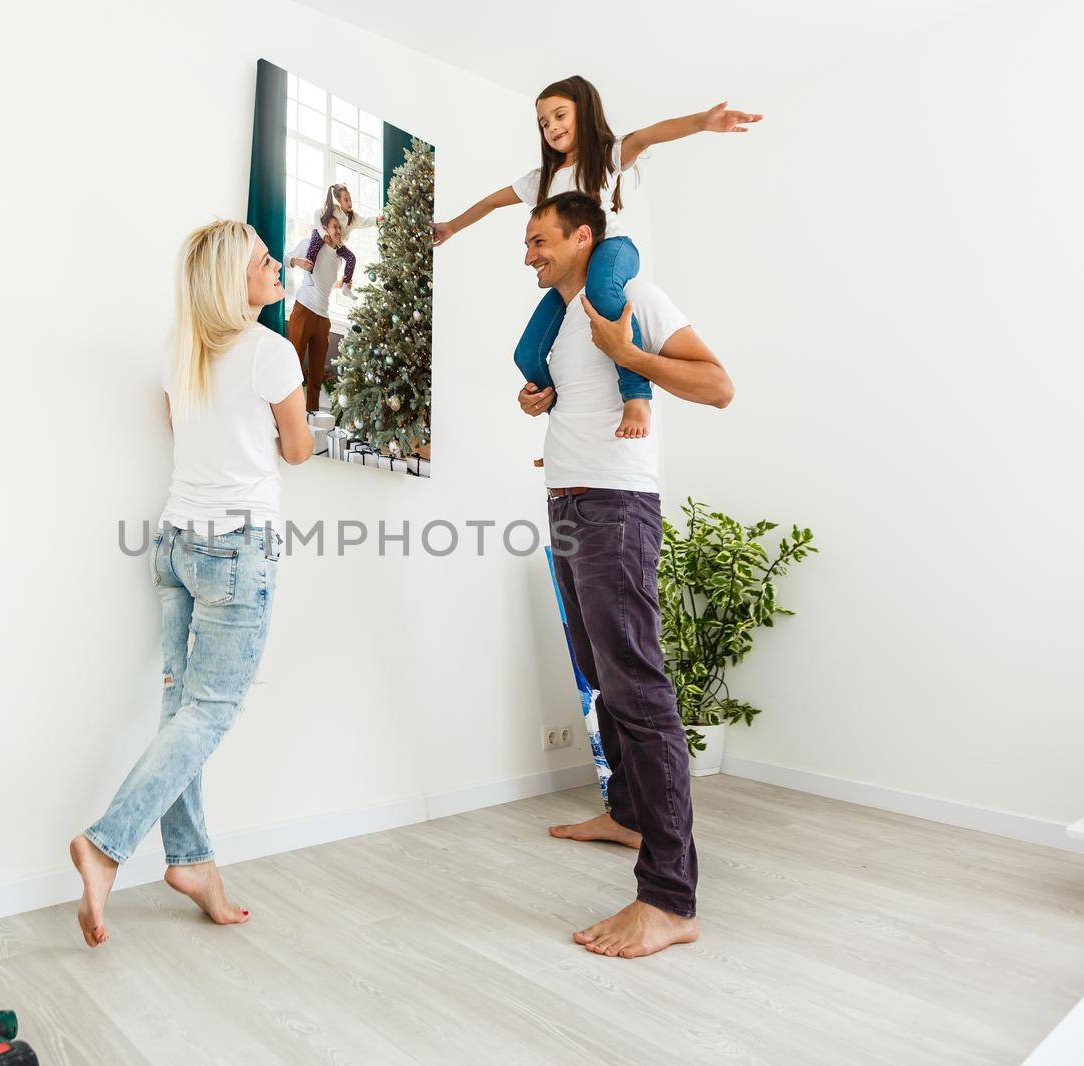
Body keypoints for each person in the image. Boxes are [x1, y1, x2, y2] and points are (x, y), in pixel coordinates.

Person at [68, 218, 312, 948]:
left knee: (182, 711)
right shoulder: (271, 353)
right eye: (263, 262)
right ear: (231, 280)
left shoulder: (181, 353)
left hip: (175, 544)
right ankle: (107, 845)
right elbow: (296, 451)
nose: (276, 268)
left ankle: (194, 863)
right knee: (206, 715)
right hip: (237, 549)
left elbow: (186, 431)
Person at [516, 191, 734, 959]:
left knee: (639, 691)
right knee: (601, 679)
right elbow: (573, 398)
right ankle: (628, 812)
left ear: (584, 236)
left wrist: (632, 355)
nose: (530, 254)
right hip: (569, 501)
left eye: (541, 240)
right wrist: (539, 397)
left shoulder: (633, 295)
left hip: (616, 508)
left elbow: (717, 385)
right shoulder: (565, 320)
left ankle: (671, 899)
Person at [435, 75, 758, 440]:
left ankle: (637, 395)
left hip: (613, 249)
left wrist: (702, 122)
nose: (552, 127)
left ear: (583, 113)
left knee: (604, 293)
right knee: (527, 353)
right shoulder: (540, 179)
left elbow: (649, 135)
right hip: (576, 272)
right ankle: (561, 421)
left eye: (560, 116)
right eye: (544, 123)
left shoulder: (602, 156)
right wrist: (451, 227)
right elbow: (492, 201)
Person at [286, 213, 345, 414]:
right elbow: (285, 258)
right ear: (325, 227)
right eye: (334, 226)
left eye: (340, 228)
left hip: (323, 317)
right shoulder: (309, 243)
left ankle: (311, 417)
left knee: (317, 376)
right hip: (304, 309)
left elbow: (324, 281)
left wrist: (341, 284)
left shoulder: (339, 258)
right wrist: (296, 262)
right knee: (293, 366)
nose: (338, 231)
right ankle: (287, 415)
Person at [307, 183, 377, 299]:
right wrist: (323, 234)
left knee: (351, 258)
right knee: (315, 239)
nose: (349, 203)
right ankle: (308, 272)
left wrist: (377, 220)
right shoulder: (333, 209)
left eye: (350, 200)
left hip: (337, 244)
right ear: (339, 201)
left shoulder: (352, 217)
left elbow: (365, 221)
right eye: (346, 200)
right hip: (323, 235)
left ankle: (345, 287)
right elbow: (317, 214)